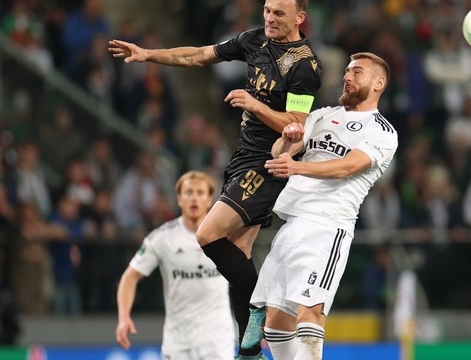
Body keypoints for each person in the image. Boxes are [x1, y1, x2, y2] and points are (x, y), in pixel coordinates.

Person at [109, 0, 321, 357]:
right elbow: (198, 55)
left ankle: (261, 304)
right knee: (237, 253)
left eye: (278, 13)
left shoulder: (304, 66)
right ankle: (250, 350)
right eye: (267, 10)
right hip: (243, 156)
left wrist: (255, 105)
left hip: (270, 162)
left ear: (299, 18)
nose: (269, 18)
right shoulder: (255, 40)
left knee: (208, 234)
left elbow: (294, 129)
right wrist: (148, 54)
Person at [253, 52, 398, 360]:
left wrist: (297, 168)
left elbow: (347, 166)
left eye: (356, 72)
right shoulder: (321, 115)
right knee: (275, 324)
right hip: (292, 222)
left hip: (328, 225)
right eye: (347, 71)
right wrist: (288, 139)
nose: (346, 76)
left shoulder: (382, 131)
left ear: (378, 83)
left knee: (311, 313)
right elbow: (280, 151)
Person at [115, 171, 236, 359]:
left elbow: (247, 280)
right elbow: (130, 277)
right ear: (179, 199)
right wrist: (123, 317)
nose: (194, 198)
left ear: (209, 200)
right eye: (188, 193)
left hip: (217, 339)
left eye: (200, 193)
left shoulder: (227, 235)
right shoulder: (163, 238)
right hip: (178, 342)